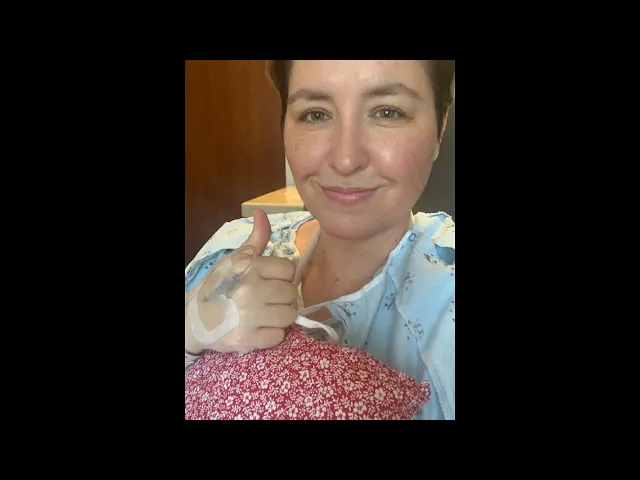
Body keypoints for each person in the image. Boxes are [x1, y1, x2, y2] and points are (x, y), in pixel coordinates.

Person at [185, 60, 455, 420]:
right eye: (315, 114)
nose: (345, 159)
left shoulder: (445, 302)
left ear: (440, 127)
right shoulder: (230, 246)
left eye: (387, 112)